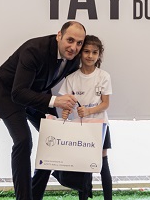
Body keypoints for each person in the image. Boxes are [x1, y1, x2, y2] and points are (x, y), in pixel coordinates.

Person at [0, 21, 86, 200]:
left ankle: (35, 194)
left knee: (55, 135)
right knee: (23, 140)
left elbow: (76, 83)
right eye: (70, 40)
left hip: (37, 93)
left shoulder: (74, 58)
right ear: (59, 36)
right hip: (7, 94)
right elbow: (18, 93)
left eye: (79, 43)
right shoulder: (34, 50)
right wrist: (56, 101)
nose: (74, 47)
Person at [59, 35, 113, 200]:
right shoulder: (71, 78)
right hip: (80, 128)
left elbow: (105, 104)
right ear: (80, 53)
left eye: (94, 52)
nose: (90, 56)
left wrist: (89, 111)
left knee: (102, 163)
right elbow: (65, 104)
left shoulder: (104, 76)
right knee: (83, 166)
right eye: (87, 51)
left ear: (99, 55)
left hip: (100, 126)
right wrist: (65, 112)